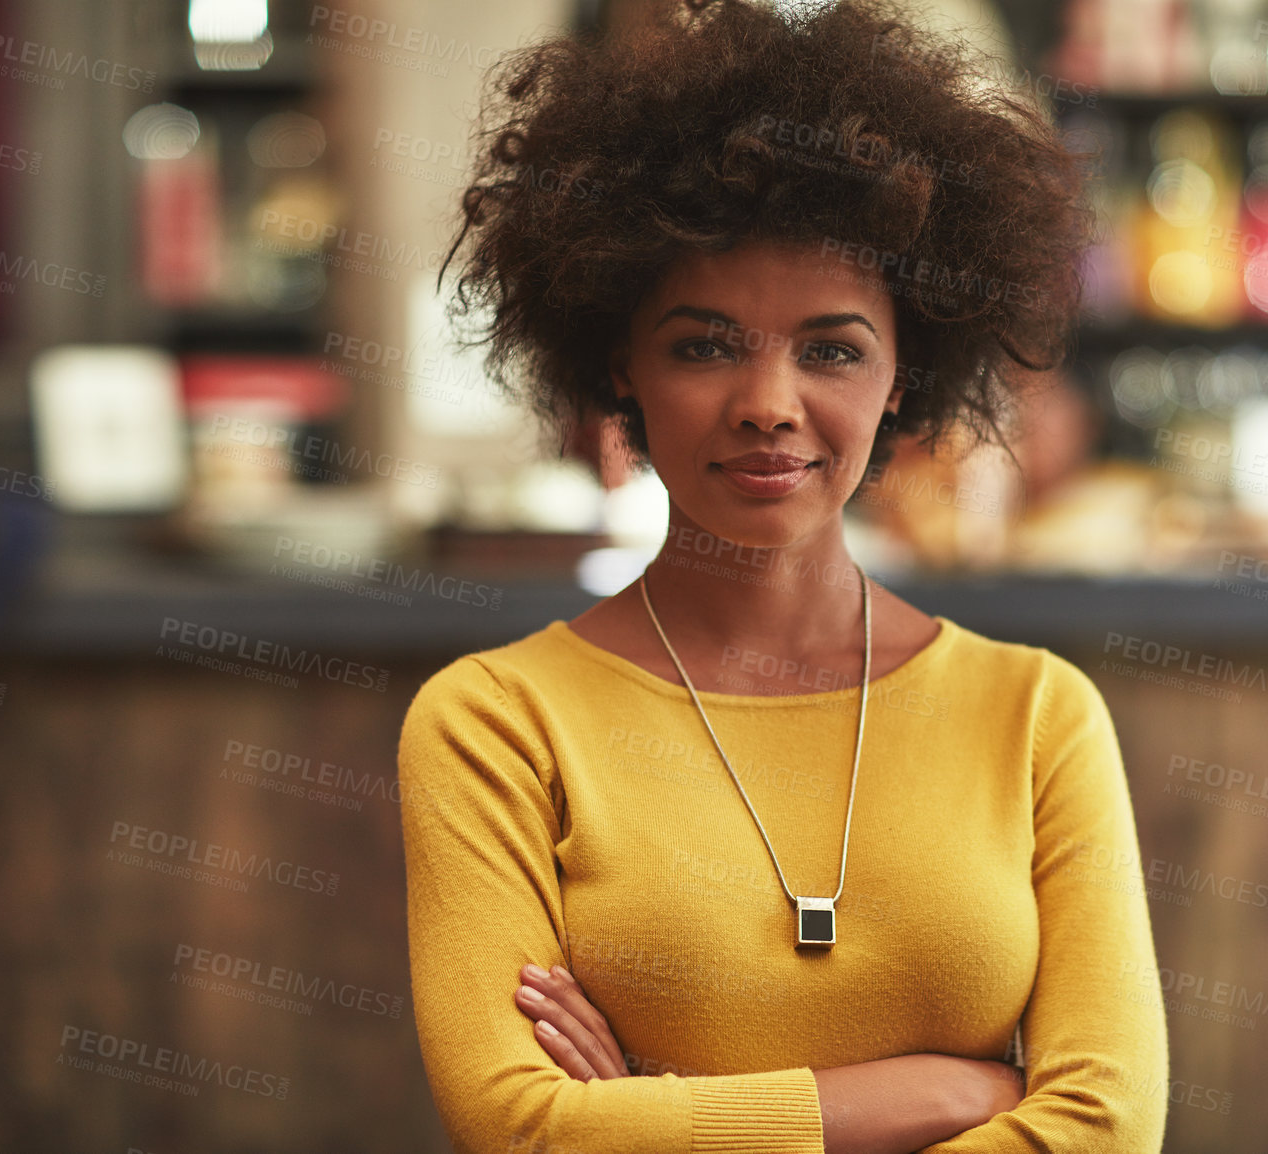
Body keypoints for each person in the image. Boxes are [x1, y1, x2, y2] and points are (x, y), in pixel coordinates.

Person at [396, 2, 1168, 1151]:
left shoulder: (1039, 718)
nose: (767, 401)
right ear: (620, 365)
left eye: (832, 348)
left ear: (904, 375)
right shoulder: (495, 724)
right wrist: (946, 1091)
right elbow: (524, 1127)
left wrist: (655, 1112)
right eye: (704, 343)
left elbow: (1105, 1127)